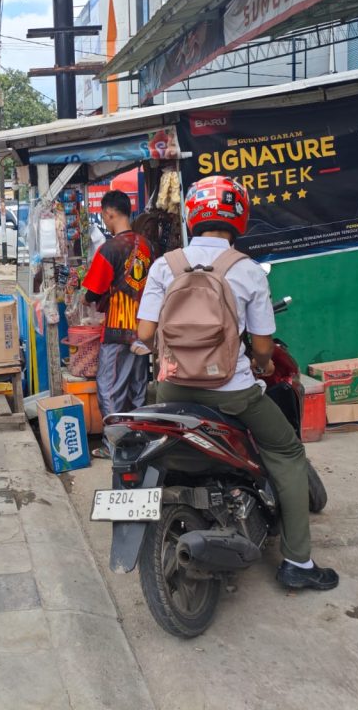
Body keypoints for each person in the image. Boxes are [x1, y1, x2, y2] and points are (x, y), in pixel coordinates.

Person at [135, 174, 339, 592]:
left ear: (192, 214)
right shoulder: (246, 270)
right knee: (286, 450)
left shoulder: (164, 265)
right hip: (233, 393)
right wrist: (261, 364)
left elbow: (142, 334)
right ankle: (299, 562)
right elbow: (262, 346)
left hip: (172, 390)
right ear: (238, 217)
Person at [81, 189, 154, 420]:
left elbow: (93, 291)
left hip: (117, 330)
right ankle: (139, 438)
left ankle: (115, 443)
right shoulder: (148, 246)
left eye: (104, 216)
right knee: (137, 386)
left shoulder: (110, 248)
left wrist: (84, 299)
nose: (104, 221)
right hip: (143, 328)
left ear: (110, 213)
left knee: (110, 388)